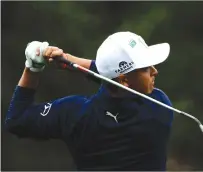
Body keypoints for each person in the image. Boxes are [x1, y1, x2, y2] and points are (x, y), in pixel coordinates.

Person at [5, 31, 174, 171]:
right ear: (123, 80)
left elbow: (17, 119)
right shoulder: (159, 107)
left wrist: (33, 66)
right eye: (145, 68)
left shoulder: (74, 113)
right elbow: (109, 79)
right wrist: (70, 61)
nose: (154, 71)